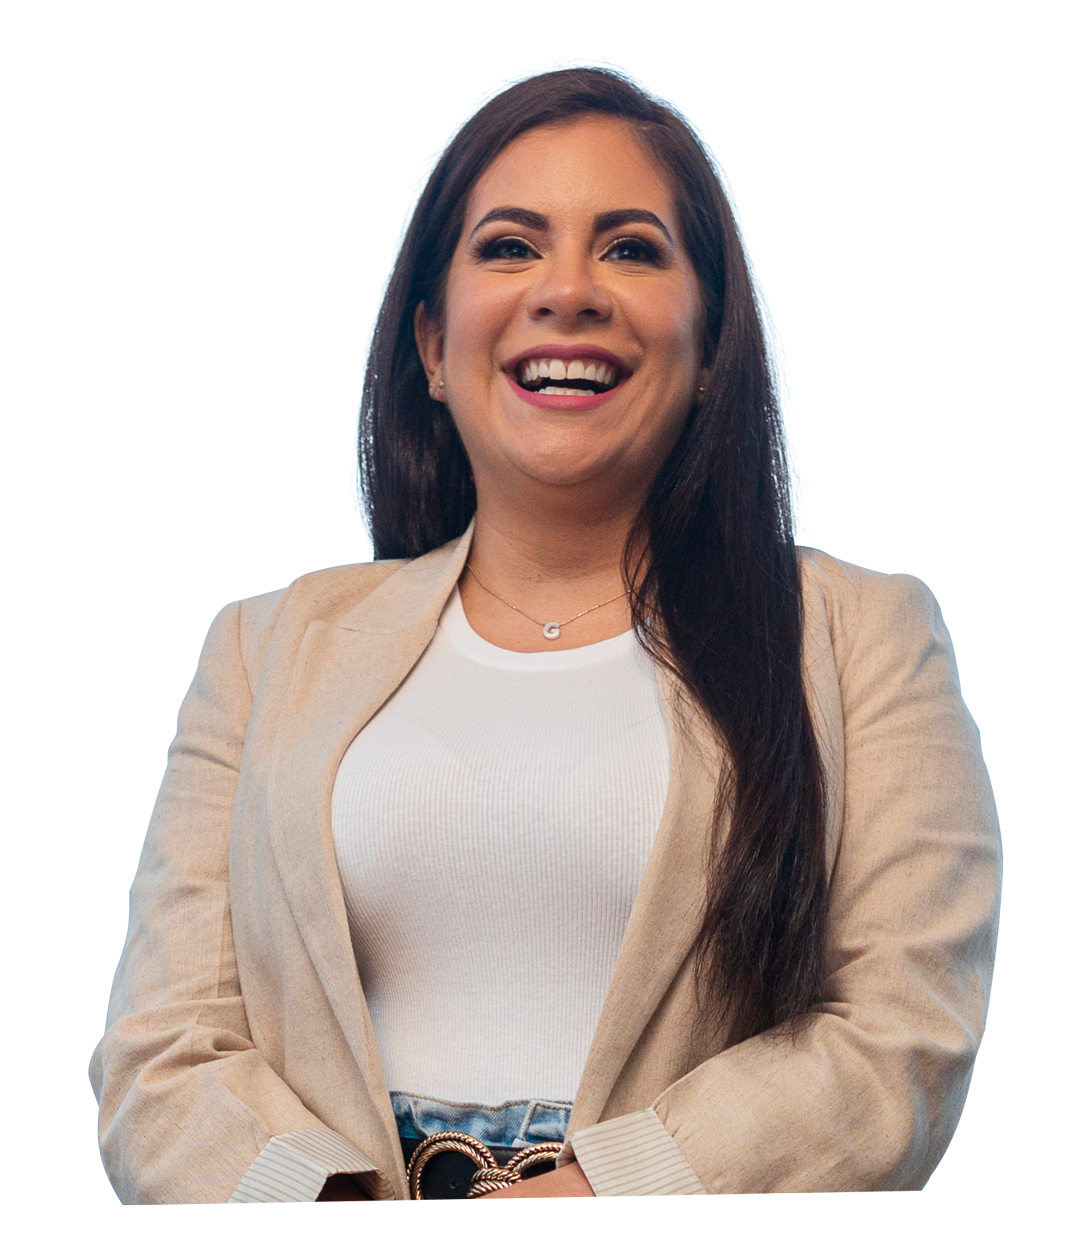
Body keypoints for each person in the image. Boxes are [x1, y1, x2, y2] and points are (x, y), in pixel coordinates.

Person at [89, 59, 1001, 1202]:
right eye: (511, 246)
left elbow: (900, 1032)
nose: (568, 291)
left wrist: (601, 1188)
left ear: (712, 346)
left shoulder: (863, 636)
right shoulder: (264, 647)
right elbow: (164, 1052)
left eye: (631, 249)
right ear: (431, 344)